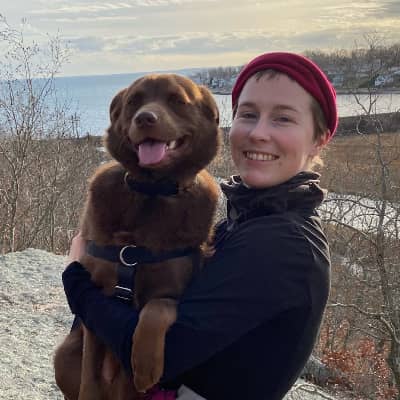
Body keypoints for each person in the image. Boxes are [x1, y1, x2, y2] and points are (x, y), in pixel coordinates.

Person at [62, 52, 338, 400]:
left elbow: (162, 356)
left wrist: (76, 278)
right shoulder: (249, 218)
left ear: (319, 139)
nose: (258, 133)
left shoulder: (286, 244)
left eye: (283, 118)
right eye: (248, 115)